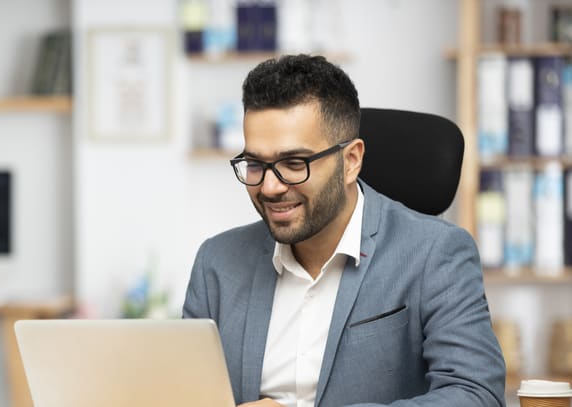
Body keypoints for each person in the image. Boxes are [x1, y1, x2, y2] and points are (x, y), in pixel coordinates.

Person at [182, 54, 506, 407]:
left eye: (294, 163)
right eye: (256, 164)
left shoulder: (435, 253)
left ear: (351, 160)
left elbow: (477, 395)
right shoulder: (217, 262)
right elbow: (186, 395)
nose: (270, 187)